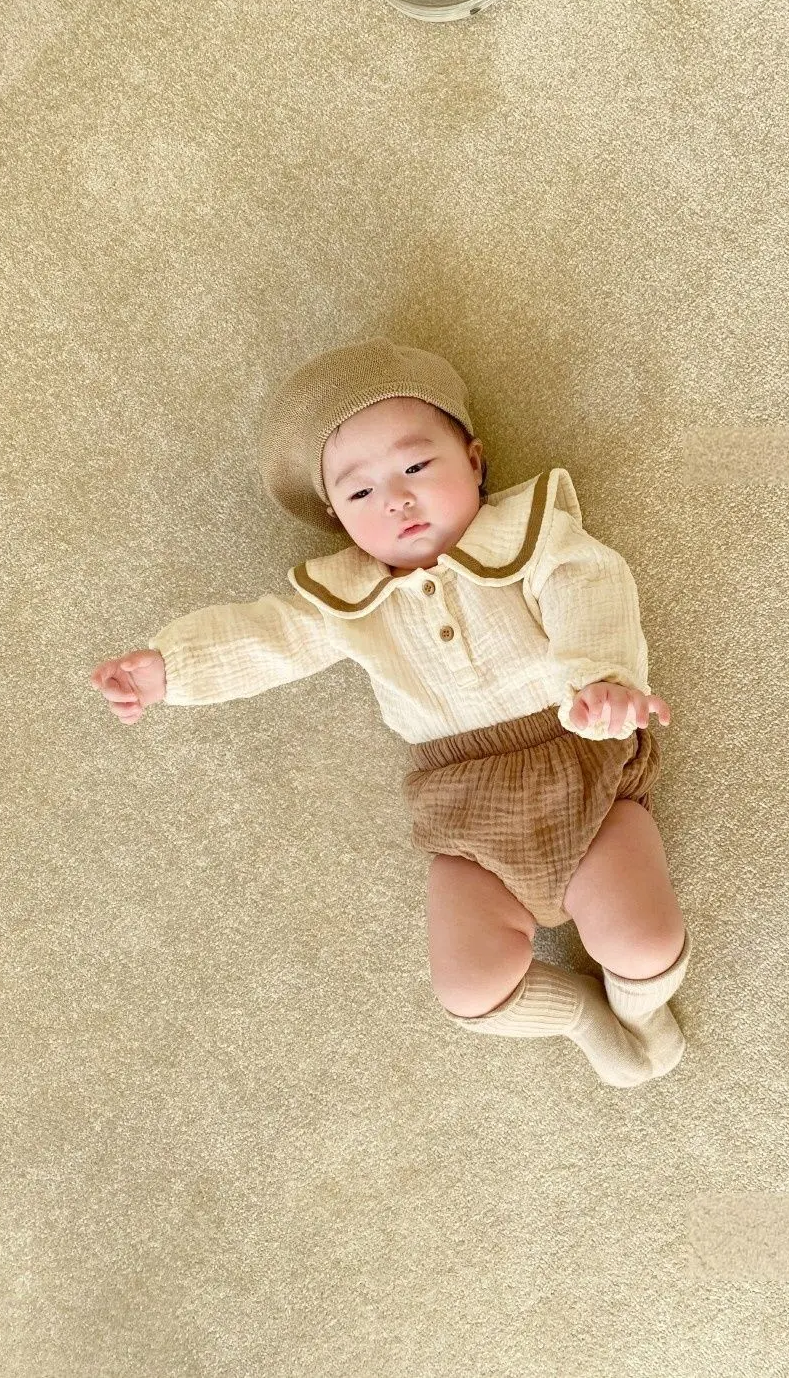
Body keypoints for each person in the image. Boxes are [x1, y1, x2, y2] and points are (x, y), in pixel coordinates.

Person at [90, 336, 692, 1088]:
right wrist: (169, 669)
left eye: (416, 466)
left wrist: (600, 676)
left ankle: (639, 1013)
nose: (397, 500)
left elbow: (588, 586)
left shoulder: (525, 536)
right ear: (338, 518)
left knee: (641, 940)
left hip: (572, 756)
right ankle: (582, 1017)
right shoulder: (347, 598)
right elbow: (266, 638)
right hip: (462, 808)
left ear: (472, 460)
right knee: (469, 991)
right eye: (360, 492)